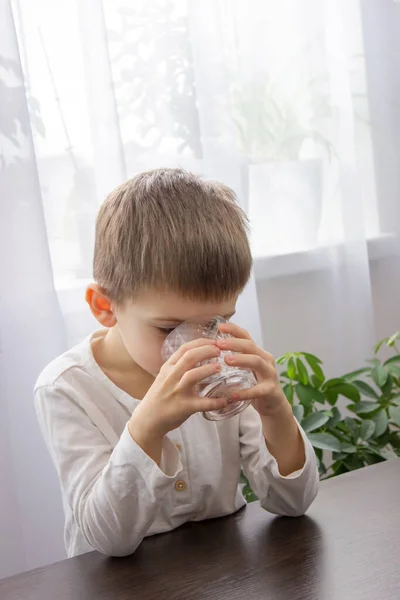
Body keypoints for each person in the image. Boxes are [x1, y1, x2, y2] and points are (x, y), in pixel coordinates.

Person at [35, 168, 319, 558]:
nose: (200, 343)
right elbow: (108, 540)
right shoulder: (67, 388)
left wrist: (275, 412)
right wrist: (148, 425)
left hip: (223, 572)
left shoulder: (225, 363)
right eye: (169, 328)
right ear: (105, 306)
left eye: (216, 321)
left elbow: (293, 503)